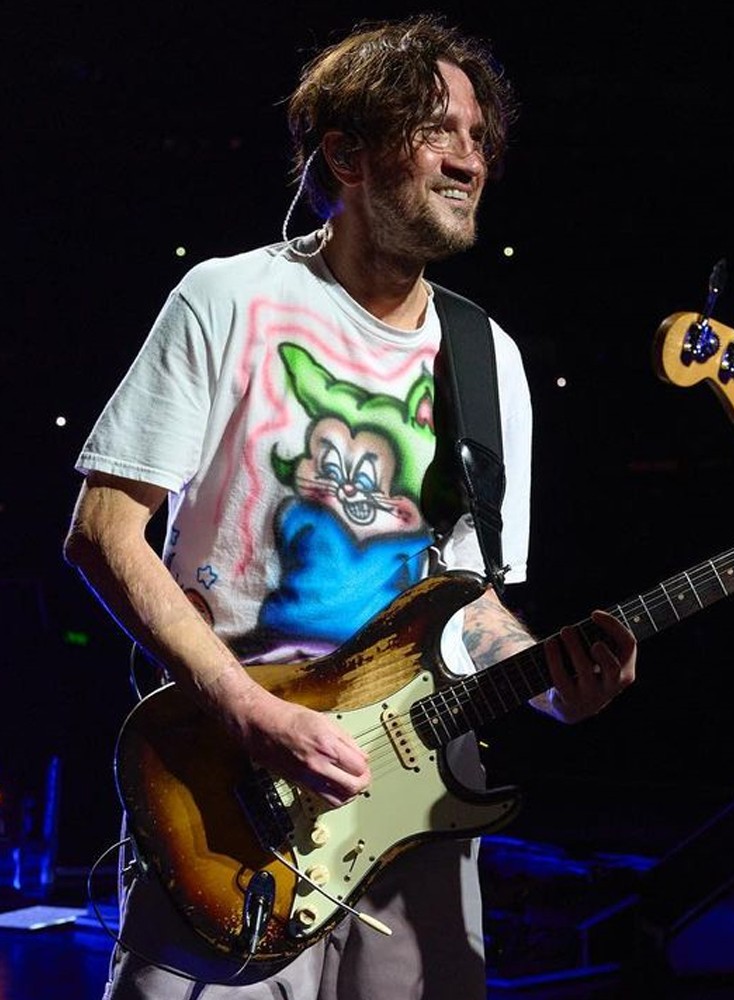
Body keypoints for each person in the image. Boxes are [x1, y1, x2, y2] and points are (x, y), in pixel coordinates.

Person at [62, 15, 638, 999]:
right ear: (347, 151)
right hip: (229, 804)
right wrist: (250, 714)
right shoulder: (229, 298)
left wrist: (553, 683)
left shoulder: (487, 357)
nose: (470, 159)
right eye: (439, 132)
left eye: (479, 139)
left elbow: (471, 601)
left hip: (416, 810)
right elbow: (103, 531)